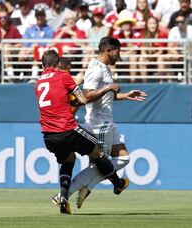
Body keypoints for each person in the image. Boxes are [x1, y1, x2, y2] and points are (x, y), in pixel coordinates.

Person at [51, 37, 146, 209]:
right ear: (108, 50)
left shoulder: (105, 68)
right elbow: (87, 96)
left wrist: (125, 95)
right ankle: (63, 194)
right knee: (102, 163)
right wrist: (108, 88)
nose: (119, 56)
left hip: (107, 121)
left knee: (123, 158)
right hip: (99, 124)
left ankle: (86, 187)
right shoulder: (96, 69)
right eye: (118, 52)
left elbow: (103, 96)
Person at [35, 49, 129, 214]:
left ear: (43, 65)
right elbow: (84, 99)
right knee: (98, 153)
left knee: (68, 159)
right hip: (68, 129)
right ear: (58, 63)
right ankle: (117, 183)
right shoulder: (63, 76)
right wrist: (106, 88)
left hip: (48, 134)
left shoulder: (38, 82)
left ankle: (63, 197)